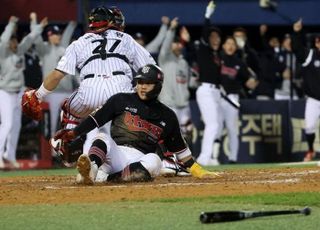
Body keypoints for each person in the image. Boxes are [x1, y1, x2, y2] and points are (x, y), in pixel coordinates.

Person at [22, 6, 156, 164]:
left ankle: (69, 151)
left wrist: (38, 95)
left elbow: (57, 75)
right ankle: (167, 157)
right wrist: (138, 96)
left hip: (89, 91)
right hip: (122, 92)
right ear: (111, 22)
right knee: (120, 133)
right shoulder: (125, 38)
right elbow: (152, 70)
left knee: (69, 110)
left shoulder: (79, 42)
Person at [53, 64, 220, 184]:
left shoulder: (168, 116)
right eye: (140, 82)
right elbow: (95, 119)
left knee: (155, 160)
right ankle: (92, 169)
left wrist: (200, 172)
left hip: (140, 160)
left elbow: (182, 153)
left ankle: (104, 179)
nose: (142, 86)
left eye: (147, 83)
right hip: (115, 153)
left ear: (158, 86)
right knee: (101, 137)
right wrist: (73, 133)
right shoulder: (121, 99)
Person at [0, 15, 46, 169]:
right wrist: (12, 23)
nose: (13, 43)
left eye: (15, 41)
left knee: (16, 125)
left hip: (18, 92)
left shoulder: (20, 51)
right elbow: (4, 39)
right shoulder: (3, 53)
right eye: (11, 41)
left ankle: (10, 155)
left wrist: (40, 27)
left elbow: (30, 38)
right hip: (5, 92)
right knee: (6, 125)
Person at [32, 12, 78, 137]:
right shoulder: (44, 50)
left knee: (71, 121)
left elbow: (72, 70)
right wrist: (35, 22)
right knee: (51, 122)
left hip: (67, 91)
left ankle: (67, 147)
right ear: (49, 35)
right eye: (56, 34)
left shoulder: (63, 49)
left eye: (59, 34)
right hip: (52, 92)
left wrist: (71, 25)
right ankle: (51, 149)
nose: (58, 36)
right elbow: (36, 39)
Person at [217, 36, 258, 164]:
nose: (230, 46)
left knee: (232, 129)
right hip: (217, 97)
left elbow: (250, 82)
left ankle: (233, 159)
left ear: (235, 47)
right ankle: (213, 157)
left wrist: (255, 81)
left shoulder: (239, 63)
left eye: (232, 44)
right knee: (216, 127)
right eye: (227, 43)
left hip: (232, 99)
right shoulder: (217, 59)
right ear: (223, 46)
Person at [195, 1, 223, 166]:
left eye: (217, 36)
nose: (215, 39)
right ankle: (203, 157)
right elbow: (205, 32)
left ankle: (211, 156)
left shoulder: (216, 55)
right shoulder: (204, 50)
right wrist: (207, 16)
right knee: (212, 123)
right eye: (212, 36)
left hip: (217, 92)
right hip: (205, 90)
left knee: (217, 125)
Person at [291, 18, 320, 161]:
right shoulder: (310, 55)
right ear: (317, 43)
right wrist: (296, 33)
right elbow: (296, 49)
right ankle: (310, 150)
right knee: (309, 127)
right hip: (314, 99)